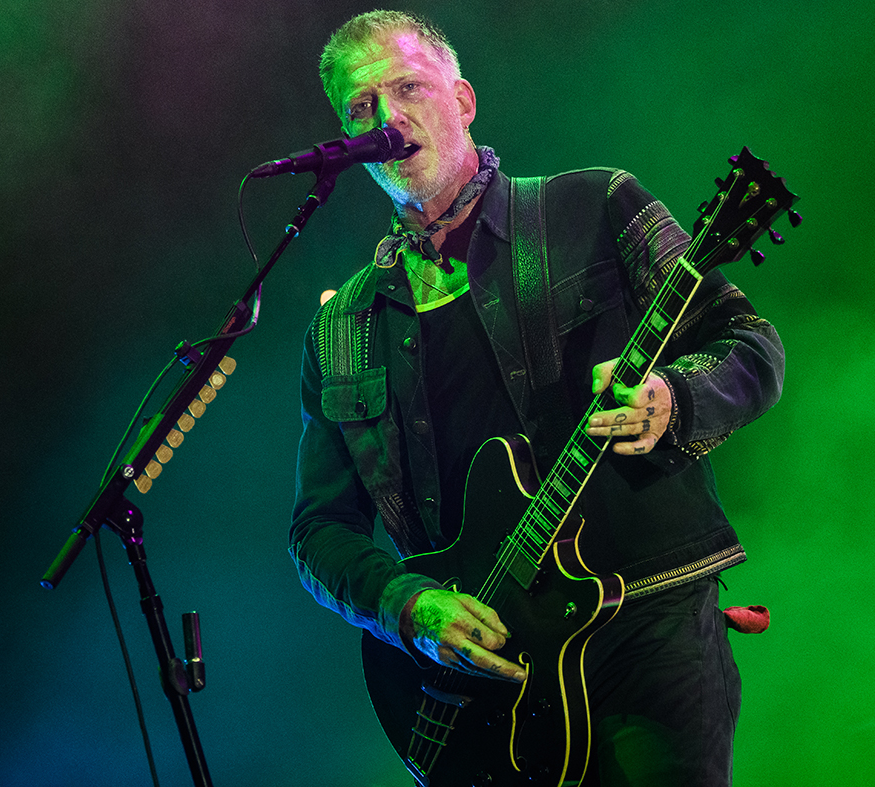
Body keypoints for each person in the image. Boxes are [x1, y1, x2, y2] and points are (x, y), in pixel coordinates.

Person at [289, 10, 784, 785]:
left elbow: (751, 345)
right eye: (360, 108)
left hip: (642, 624)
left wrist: (672, 400)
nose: (387, 117)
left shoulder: (592, 207)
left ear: (463, 100)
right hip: (486, 684)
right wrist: (408, 606)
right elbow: (318, 529)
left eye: (408, 88)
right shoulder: (343, 328)